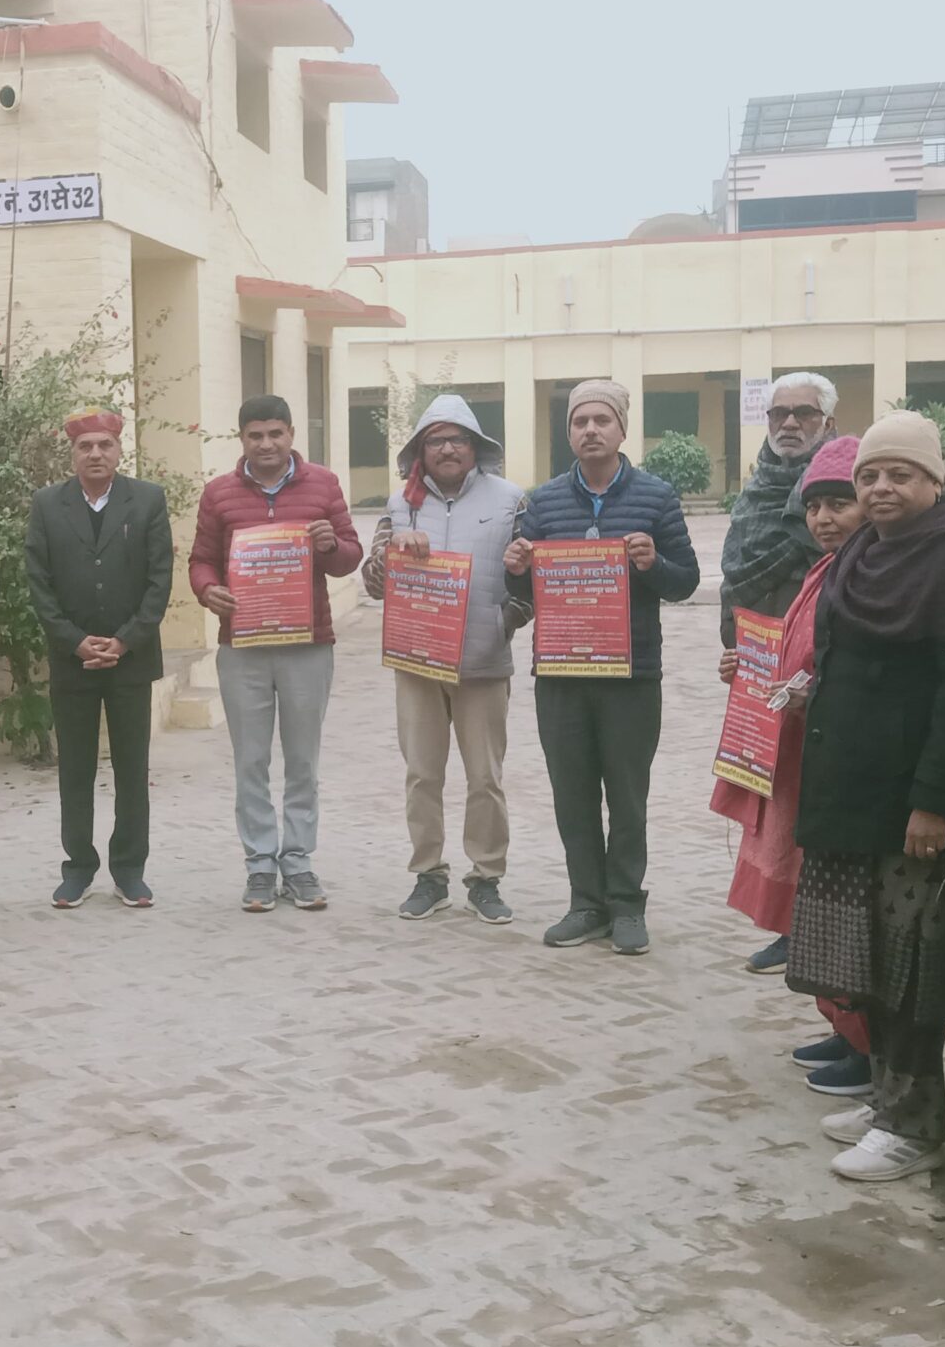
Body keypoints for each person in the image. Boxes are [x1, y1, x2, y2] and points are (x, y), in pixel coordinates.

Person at [789, 411, 945, 1183]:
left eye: (900, 474)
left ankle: (916, 1128)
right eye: (869, 475)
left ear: (936, 479)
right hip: (857, 789)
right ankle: (887, 1099)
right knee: (866, 955)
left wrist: (935, 803)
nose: (881, 488)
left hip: (916, 801)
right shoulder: (865, 549)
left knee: (909, 962)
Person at [504, 378, 700, 954]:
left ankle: (627, 905)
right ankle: (586, 904)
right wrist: (516, 567)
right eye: (579, 421)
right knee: (573, 796)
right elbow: (523, 592)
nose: (590, 430)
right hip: (562, 675)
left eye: (601, 420)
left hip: (632, 675)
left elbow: (685, 581)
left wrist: (652, 563)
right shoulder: (542, 502)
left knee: (628, 797)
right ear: (569, 432)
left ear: (621, 429)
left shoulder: (656, 497)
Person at [707, 436, 875, 1095]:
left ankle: (867, 1046)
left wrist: (809, 691)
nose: (824, 519)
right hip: (803, 762)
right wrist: (747, 667)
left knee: (842, 910)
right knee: (817, 904)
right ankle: (843, 1028)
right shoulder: (825, 569)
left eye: (839, 504)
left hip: (842, 773)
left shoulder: (871, 573)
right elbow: (791, 653)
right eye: (814, 507)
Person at [188, 394, 363, 912]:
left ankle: (299, 861)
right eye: (255, 435)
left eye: (275, 434)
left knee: (303, 759)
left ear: (291, 434)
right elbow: (201, 559)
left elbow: (350, 557)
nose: (266, 444)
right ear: (242, 439)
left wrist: (330, 545)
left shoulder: (323, 485)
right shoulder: (219, 493)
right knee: (251, 760)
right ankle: (261, 864)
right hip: (243, 646)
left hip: (307, 645)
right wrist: (208, 590)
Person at [359, 394, 527, 925]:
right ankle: (428, 875)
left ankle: (486, 878)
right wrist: (390, 554)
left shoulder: (511, 499)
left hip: (484, 662)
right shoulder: (400, 504)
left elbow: (530, 579)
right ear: (420, 450)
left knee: (485, 778)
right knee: (422, 774)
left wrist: (503, 622)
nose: (448, 449)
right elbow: (372, 582)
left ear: (475, 446)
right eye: (436, 440)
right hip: (417, 663)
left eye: (457, 439)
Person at [24, 408, 173, 909]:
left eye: (104, 445)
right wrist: (73, 640)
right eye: (85, 446)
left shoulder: (147, 499)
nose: (95, 454)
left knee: (132, 769)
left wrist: (126, 640)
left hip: (132, 660)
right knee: (76, 770)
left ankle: (129, 870)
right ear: (72, 453)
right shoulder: (48, 504)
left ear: (118, 449)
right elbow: (39, 582)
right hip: (73, 661)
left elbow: (159, 579)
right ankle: (78, 868)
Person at [720, 371, 841, 974]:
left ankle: (822, 930)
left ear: (828, 423)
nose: (790, 423)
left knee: (821, 803)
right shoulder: (757, 491)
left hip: (826, 677)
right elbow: (735, 576)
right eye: (778, 414)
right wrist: (738, 650)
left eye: (804, 413)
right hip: (766, 674)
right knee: (779, 806)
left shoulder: (846, 490)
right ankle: (789, 927)